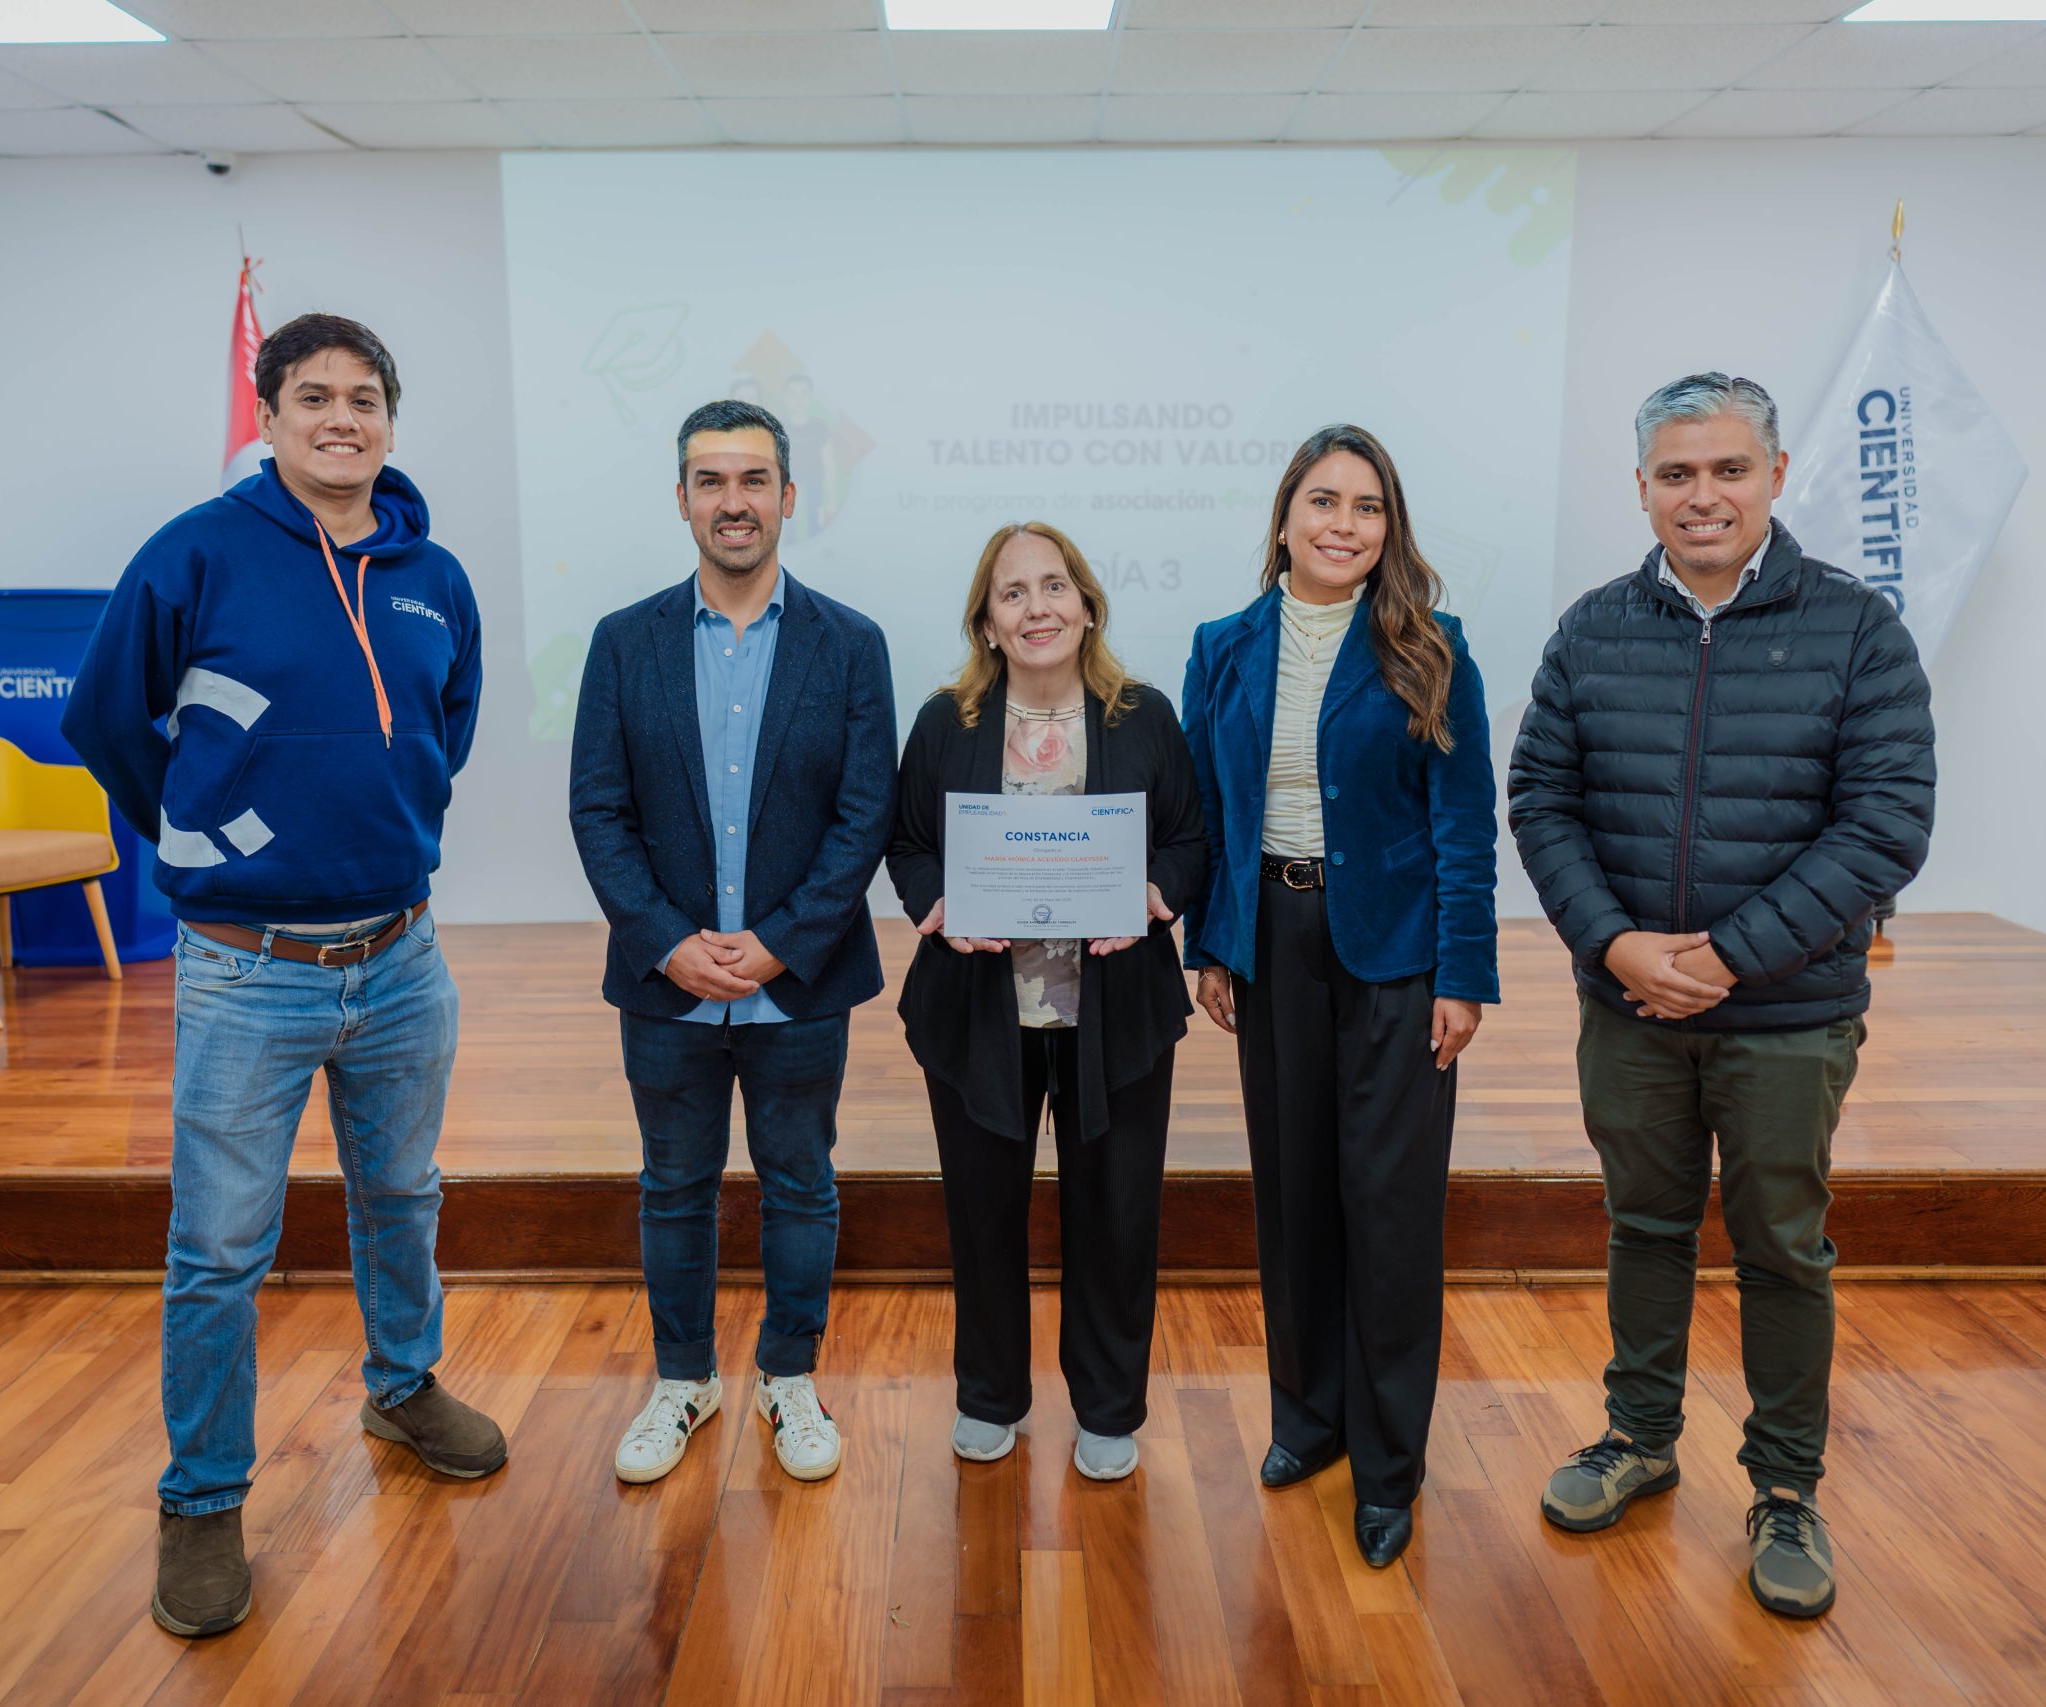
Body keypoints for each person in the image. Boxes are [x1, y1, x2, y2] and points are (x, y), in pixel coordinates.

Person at [64, 313, 503, 1640]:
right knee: (215, 1250)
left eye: (365, 399)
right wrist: (195, 836)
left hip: (402, 959)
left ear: (389, 421)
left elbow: (448, 728)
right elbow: (105, 720)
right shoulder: (194, 552)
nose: (342, 419)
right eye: (314, 396)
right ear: (269, 413)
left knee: (402, 1195)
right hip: (246, 972)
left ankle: (402, 1380)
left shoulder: (434, 572)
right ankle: (200, 1499)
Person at [1508, 373, 1935, 1620]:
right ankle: (1638, 1440)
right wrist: (1614, 944)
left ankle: (1785, 1491)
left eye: (1727, 470)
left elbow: (1886, 827)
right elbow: (1541, 800)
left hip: (1788, 1017)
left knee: (1780, 1251)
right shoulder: (1591, 629)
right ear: (1640, 488)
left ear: (1776, 475)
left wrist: (1730, 956)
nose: (1703, 496)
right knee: (1643, 1226)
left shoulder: (1859, 630)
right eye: (1676, 475)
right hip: (1628, 1007)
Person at [1181, 424, 1500, 1568]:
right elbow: (1209, 820)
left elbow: (1466, 824)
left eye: (1366, 508)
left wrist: (1464, 972)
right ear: (1283, 517)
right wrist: (1210, 951)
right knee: (1294, 1192)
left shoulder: (1429, 646)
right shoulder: (1222, 648)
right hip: (1271, 941)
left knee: (1392, 1207)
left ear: (1387, 529)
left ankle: (1388, 1462)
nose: (1342, 525)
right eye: (1323, 501)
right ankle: (1307, 1422)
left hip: (1398, 954)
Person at [568, 398, 895, 1488]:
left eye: (754, 479)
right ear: (681, 502)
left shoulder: (852, 645)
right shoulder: (623, 643)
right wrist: (667, 944)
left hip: (796, 986)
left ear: (789, 498)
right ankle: (684, 1380)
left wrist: (777, 943)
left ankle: (788, 1376)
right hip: (664, 989)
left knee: (800, 1180)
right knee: (673, 1183)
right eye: (710, 481)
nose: (733, 501)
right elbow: (598, 812)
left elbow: (864, 818)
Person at [887, 522, 1207, 1480]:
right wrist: (936, 905)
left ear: (1087, 604)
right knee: (983, 1213)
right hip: (982, 1008)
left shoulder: (1142, 715)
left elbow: (1190, 838)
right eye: (1014, 593)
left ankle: (1108, 1406)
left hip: (1119, 1010)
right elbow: (908, 844)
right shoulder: (948, 721)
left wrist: (1157, 894)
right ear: (987, 622)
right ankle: (991, 1395)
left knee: (1116, 1214)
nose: (1038, 608)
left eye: (1054, 587)